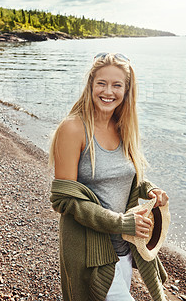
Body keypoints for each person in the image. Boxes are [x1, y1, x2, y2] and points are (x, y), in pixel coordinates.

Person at [49, 52, 169, 301]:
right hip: (89, 253)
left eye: (117, 85)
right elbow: (64, 200)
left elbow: (129, 180)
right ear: (91, 84)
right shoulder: (73, 128)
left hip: (124, 250)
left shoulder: (123, 127)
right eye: (101, 83)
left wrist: (149, 190)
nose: (108, 91)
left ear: (126, 90)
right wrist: (121, 223)